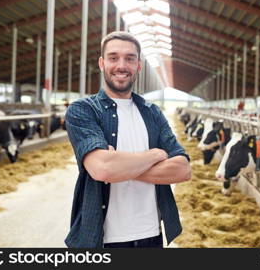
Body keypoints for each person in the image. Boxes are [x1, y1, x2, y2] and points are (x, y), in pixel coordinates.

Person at [64, 31, 191, 248]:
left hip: (152, 236)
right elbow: (103, 169)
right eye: (113, 58)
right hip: (103, 240)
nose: (121, 65)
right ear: (102, 63)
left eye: (130, 58)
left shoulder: (153, 112)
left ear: (138, 66)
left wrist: (120, 168)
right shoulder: (83, 110)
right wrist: (155, 155)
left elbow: (183, 170)